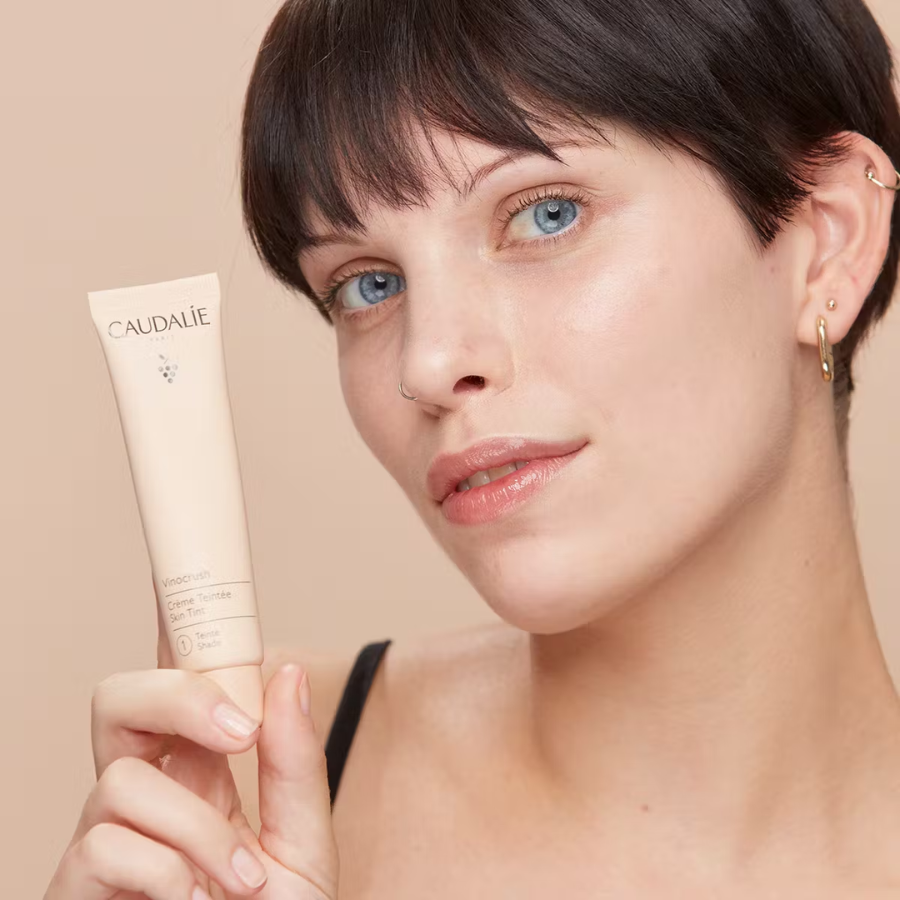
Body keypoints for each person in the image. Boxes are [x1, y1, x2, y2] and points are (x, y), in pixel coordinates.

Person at [46, 0, 900, 896]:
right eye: (367, 284)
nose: (426, 362)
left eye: (546, 216)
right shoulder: (245, 804)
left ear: (828, 242)